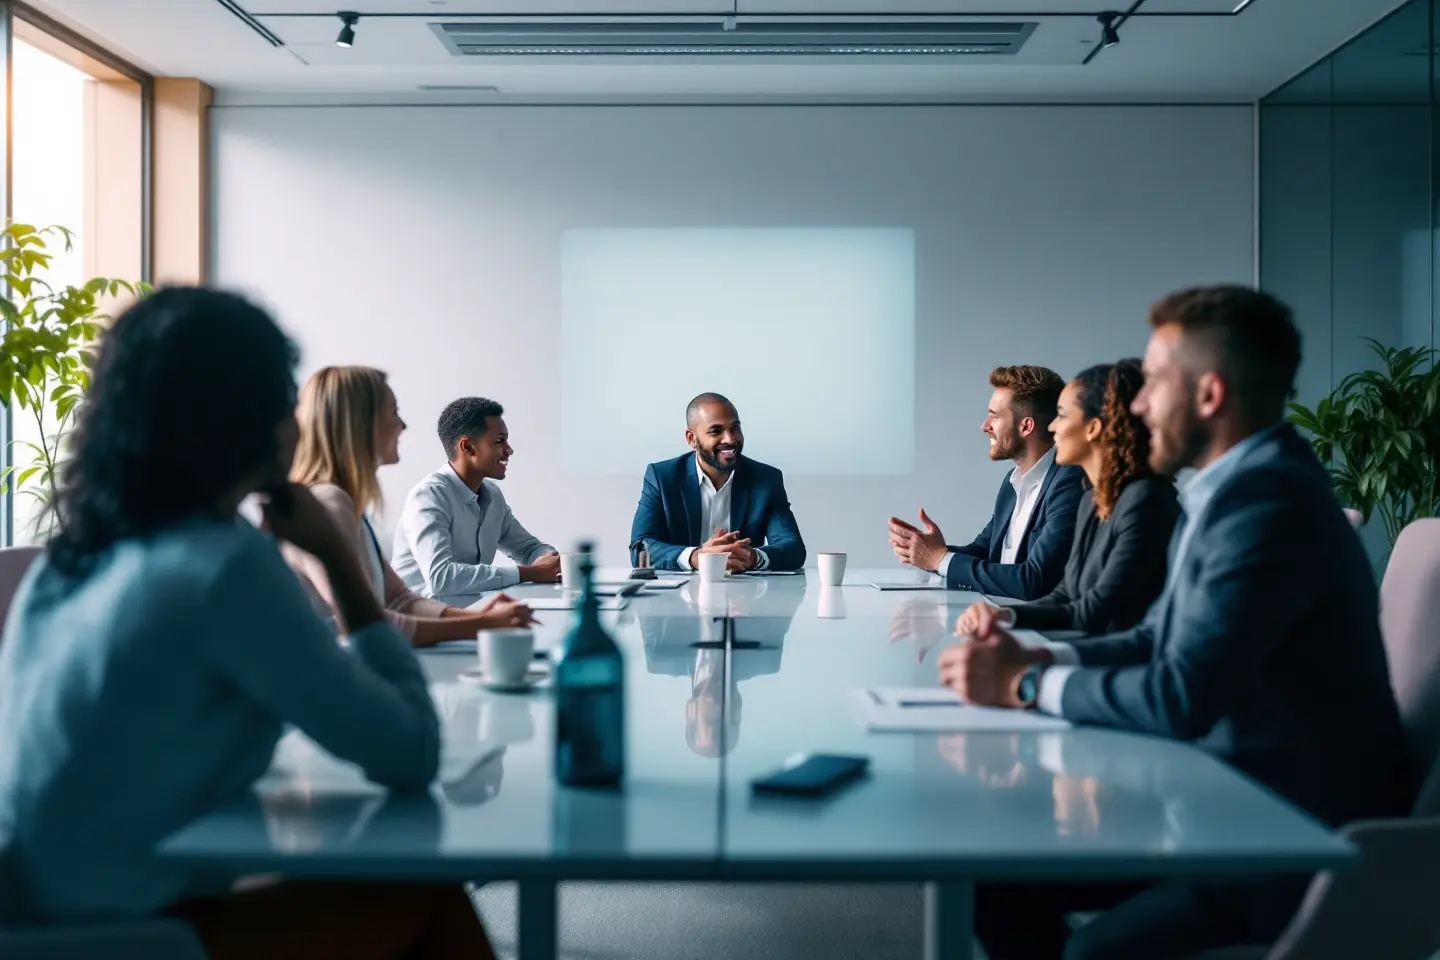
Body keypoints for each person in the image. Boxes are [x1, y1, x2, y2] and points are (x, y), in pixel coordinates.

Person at [0, 288, 494, 958]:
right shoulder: (224, 564)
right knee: (424, 886)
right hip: (111, 935)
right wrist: (334, 559)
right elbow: (411, 752)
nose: (296, 423)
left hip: (25, 910)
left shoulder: (73, 557)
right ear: (247, 419)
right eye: (284, 399)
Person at [938, 286, 1408, 960]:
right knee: (992, 878)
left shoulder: (1266, 504)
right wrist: (1043, 661)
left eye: (1154, 383)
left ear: (1209, 395)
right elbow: (1155, 638)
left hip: (1280, 838)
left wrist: (1026, 687)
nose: (1135, 406)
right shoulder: (1232, 489)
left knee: (1074, 941)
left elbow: (1179, 694)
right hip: (1225, 801)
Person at [286, 366, 536, 647]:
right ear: (360, 424)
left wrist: (479, 617)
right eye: (394, 412)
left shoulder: (344, 503)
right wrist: (481, 624)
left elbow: (398, 599)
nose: (402, 425)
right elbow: (365, 622)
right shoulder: (328, 503)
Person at [955, 360, 1179, 637]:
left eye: (1061, 416)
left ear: (1092, 428)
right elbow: (1065, 595)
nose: (1051, 427)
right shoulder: (1091, 500)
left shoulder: (1144, 501)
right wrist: (1004, 616)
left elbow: (1095, 612)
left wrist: (1029, 649)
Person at [890, 365, 1084, 599]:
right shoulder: (1012, 483)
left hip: (1034, 619)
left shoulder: (1069, 483)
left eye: (994, 416)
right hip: (997, 612)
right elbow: (984, 553)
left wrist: (939, 559)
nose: (985, 426)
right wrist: (930, 553)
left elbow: (1034, 580)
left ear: (1026, 426)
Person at [392, 397, 560, 606]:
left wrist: (551, 560)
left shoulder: (492, 495)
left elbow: (527, 549)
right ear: (468, 447)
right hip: (421, 619)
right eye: (499, 441)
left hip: (470, 613)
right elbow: (441, 578)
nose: (509, 450)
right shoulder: (429, 496)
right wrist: (531, 572)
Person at [630, 392, 805, 573]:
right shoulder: (662, 477)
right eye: (716, 431)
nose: (730, 439)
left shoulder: (766, 479)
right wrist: (697, 557)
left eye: (735, 428)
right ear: (691, 439)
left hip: (743, 588)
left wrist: (753, 557)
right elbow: (640, 547)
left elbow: (793, 547)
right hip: (682, 587)